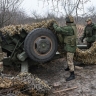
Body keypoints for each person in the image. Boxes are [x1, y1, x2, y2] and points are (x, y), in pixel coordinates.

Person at [53, 15, 77, 81]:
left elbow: (58, 29)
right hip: (70, 45)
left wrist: (54, 24)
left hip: (70, 47)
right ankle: (69, 68)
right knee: (69, 58)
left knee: (70, 60)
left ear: (67, 21)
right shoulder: (73, 26)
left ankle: (72, 75)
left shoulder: (69, 28)